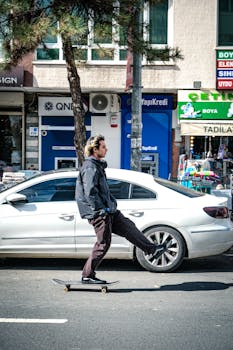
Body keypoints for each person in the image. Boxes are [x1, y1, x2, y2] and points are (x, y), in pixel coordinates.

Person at [76, 135, 169, 284]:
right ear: (95, 149)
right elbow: (90, 192)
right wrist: (101, 210)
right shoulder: (90, 167)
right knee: (103, 244)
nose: (106, 149)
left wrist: (109, 206)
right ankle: (87, 275)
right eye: (103, 147)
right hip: (100, 213)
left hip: (109, 210)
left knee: (129, 227)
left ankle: (152, 250)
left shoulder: (97, 165)